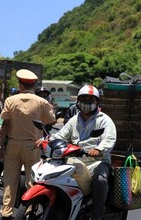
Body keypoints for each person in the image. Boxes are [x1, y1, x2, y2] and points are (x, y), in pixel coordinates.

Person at [36, 84, 116, 220]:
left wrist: (98, 149)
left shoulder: (104, 120)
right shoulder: (74, 120)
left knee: (100, 180)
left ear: (97, 102)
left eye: (91, 100)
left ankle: (97, 215)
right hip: (75, 159)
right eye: (83, 99)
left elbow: (109, 138)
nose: (86, 103)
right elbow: (61, 135)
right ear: (78, 102)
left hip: (97, 161)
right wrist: (45, 141)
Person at [0, 69, 56, 219]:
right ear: (33, 85)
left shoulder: (10, 100)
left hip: (13, 144)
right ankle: (29, 209)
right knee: (32, 179)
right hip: (33, 146)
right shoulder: (42, 102)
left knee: (10, 179)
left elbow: (5, 124)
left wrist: (0, 146)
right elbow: (51, 120)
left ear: (20, 85)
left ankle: (7, 211)